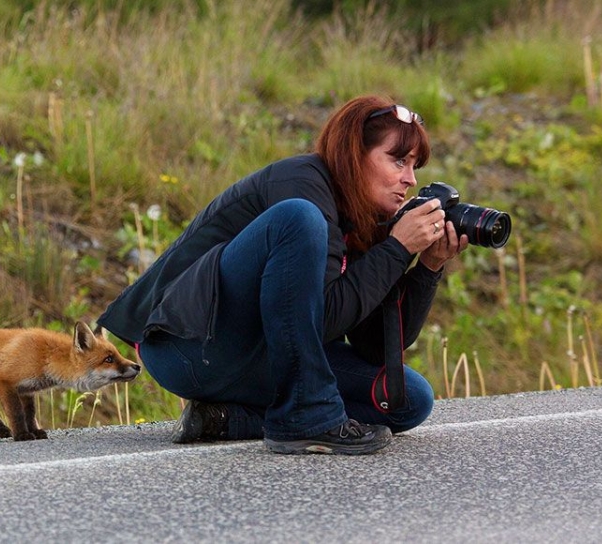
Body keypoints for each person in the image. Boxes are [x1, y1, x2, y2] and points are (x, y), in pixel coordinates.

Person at [97, 95, 469, 455]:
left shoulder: (362, 217)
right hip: (188, 348)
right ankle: (307, 418)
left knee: (405, 399)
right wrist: (396, 249)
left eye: (414, 167)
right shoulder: (301, 181)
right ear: (354, 157)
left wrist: (427, 268)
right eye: (398, 161)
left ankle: (227, 420)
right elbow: (321, 319)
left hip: (262, 356)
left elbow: (373, 346)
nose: (409, 179)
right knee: (298, 216)